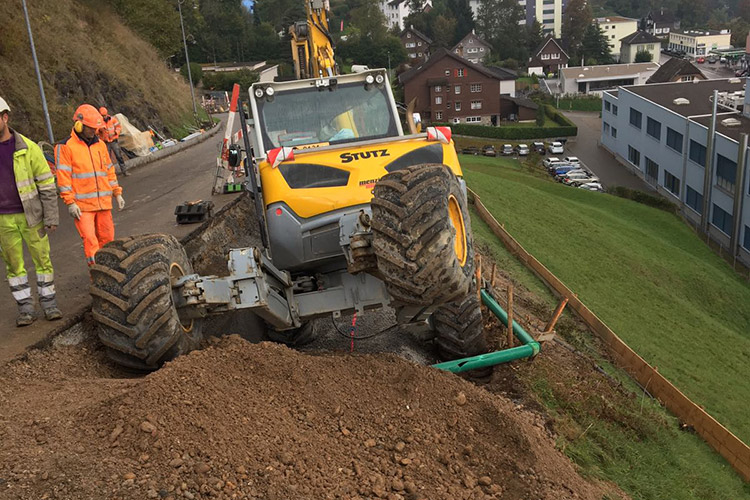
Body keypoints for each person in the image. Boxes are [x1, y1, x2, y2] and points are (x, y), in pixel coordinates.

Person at [0, 97, 62, 326]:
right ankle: (25, 308)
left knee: (42, 260)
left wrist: (51, 217)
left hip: (32, 217)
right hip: (3, 221)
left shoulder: (28, 148)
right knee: (14, 266)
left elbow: (46, 185)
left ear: (5, 118)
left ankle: (49, 305)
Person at [57, 104, 125, 266]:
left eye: (96, 128)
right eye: (91, 128)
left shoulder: (100, 145)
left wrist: (117, 192)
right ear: (79, 125)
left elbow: (109, 171)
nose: (94, 131)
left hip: (103, 203)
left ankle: (110, 271)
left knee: (108, 240)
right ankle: (97, 275)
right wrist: (70, 202)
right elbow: (63, 176)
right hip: (83, 206)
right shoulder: (65, 147)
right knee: (90, 241)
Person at [98, 107, 129, 176]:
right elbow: (96, 132)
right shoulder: (99, 123)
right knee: (107, 159)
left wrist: (115, 132)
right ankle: (109, 174)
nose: (104, 117)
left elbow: (118, 127)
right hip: (105, 142)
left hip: (113, 141)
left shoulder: (113, 120)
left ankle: (124, 171)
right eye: (102, 116)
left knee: (119, 156)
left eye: (104, 115)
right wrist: (100, 130)